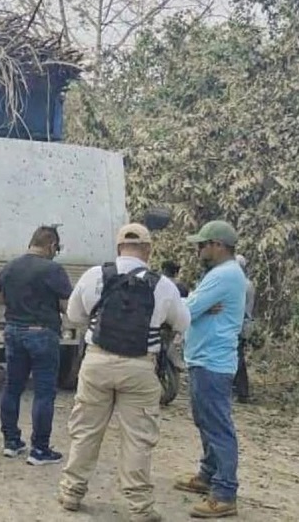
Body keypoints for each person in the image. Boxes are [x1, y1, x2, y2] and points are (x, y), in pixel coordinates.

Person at [59, 223, 190, 522]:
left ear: (118, 247)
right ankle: (140, 507)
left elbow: (74, 315)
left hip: (97, 362)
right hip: (140, 368)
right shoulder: (163, 285)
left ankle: (71, 492)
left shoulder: (95, 275)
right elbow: (182, 323)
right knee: (138, 438)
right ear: (148, 250)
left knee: (86, 430)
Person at [174, 220, 246, 518]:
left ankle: (225, 492)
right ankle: (208, 474)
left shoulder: (224, 275)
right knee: (205, 421)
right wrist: (195, 304)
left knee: (217, 426)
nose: (198, 250)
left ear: (218, 245)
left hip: (212, 361)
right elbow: (194, 306)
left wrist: (192, 304)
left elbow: (187, 310)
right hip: (205, 359)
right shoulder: (221, 274)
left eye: (202, 245)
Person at [0, 225, 72, 465]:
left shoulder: (9, 267)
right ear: (51, 245)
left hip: (13, 331)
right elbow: (66, 306)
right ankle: (39, 449)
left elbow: (0, 299)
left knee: (12, 387)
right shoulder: (53, 270)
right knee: (44, 392)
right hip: (42, 333)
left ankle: (11, 442)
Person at [233, 255, 254, 403]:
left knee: (237, 358)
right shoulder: (249, 284)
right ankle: (240, 390)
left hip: (238, 325)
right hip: (245, 324)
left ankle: (241, 391)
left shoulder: (241, 285)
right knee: (238, 356)